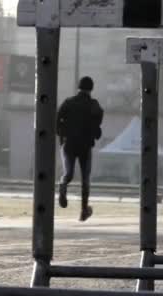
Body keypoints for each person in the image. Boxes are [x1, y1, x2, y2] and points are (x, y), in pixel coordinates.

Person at [56, 76, 104, 221]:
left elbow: (57, 120)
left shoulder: (68, 102)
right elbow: (98, 124)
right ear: (91, 88)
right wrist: (95, 133)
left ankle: (63, 185)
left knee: (68, 173)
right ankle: (84, 210)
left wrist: (62, 136)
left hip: (68, 143)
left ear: (78, 87)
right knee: (85, 179)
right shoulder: (94, 105)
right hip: (85, 146)